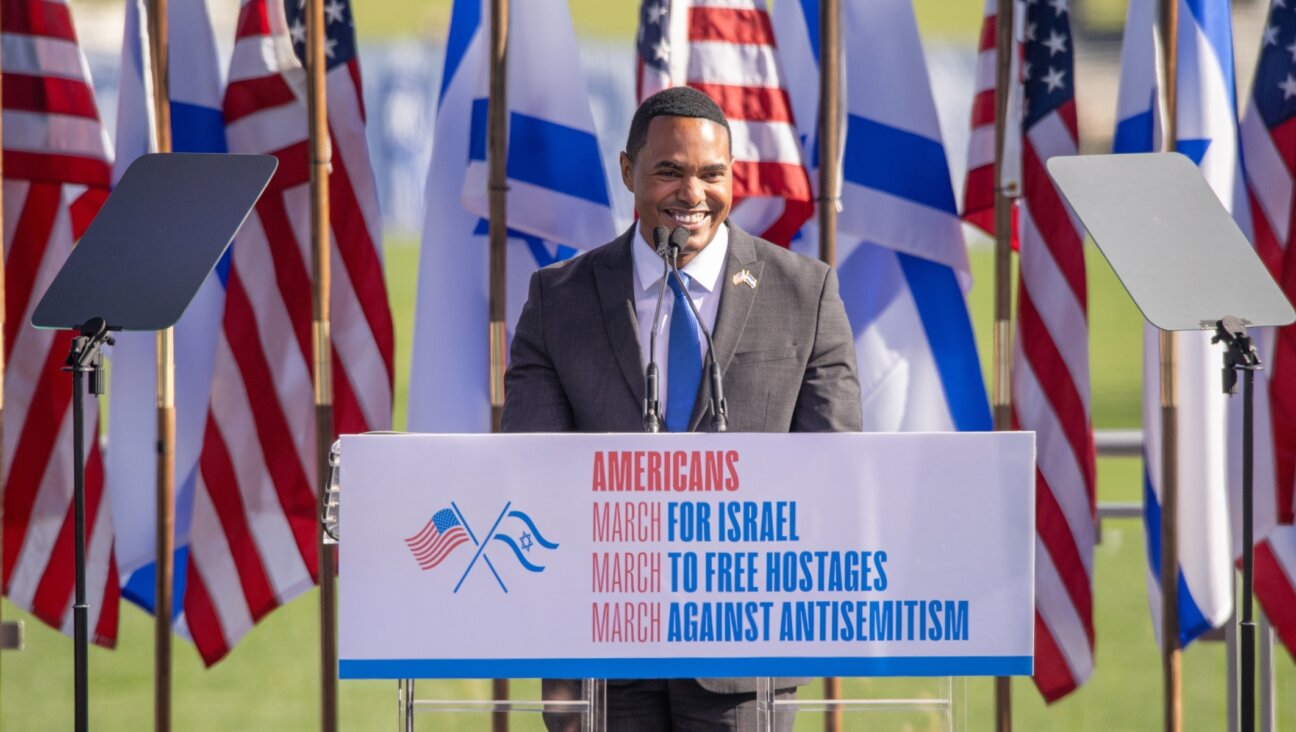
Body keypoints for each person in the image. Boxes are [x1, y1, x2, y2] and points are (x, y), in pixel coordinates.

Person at [501, 86, 862, 731]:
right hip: (598, 644)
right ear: (627, 172)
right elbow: (532, 466)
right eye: (669, 170)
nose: (692, 193)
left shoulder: (805, 293)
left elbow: (833, 464)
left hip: (745, 644)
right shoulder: (557, 298)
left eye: (711, 173)